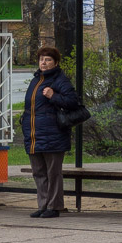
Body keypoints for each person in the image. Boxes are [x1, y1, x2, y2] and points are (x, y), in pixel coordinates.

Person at [20, 46, 81, 218]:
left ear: (55, 62)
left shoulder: (60, 80)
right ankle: (43, 204)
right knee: (38, 172)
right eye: (41, 59)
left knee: (53, 172)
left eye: (48, 60)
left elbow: (73, 102)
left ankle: (54, 206)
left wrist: (53, 95)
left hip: (53, 134)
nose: (43, 63)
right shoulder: (36, 80)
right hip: (34, 134)